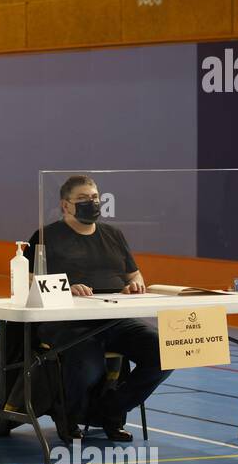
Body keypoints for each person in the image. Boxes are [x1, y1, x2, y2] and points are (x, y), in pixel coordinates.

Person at [26, 174, 171, 441]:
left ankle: (110, 410)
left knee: (165, 352)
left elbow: (134, 275)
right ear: (65, 205)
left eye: (94, 198)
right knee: (88, 365)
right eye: (82, 199)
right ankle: (67, 416)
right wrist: (67, 288)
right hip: (69, 322)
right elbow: (31, 281)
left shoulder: (113, 235)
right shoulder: (47, 236)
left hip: (115, 318)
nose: (91, 203)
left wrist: (135, 286)